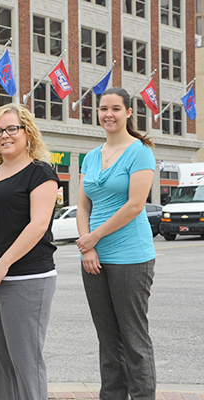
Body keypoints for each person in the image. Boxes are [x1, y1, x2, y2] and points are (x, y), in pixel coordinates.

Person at [0, 104, 59, 400]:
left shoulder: (41, 172)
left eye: (11, 128)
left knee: (25, 360)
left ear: (27, 132)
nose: (4, 135)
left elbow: (39, 224)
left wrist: (3, 263)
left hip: (27, 278)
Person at [76, 87, 157, 400]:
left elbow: (135, 205)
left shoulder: (140, 151)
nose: (108, 114)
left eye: (115, 108)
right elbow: (83, 206)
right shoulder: (92, 156)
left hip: (131, 257)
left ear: (128, 113)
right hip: (94, 258)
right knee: (108, 341)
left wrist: (94, 237)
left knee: (134, 339)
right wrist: (90, 247)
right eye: (102, 108)